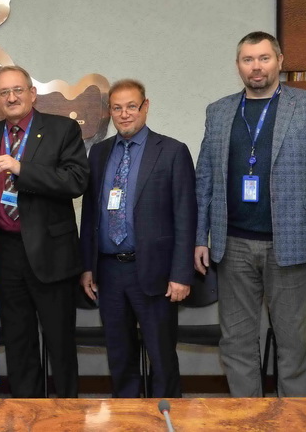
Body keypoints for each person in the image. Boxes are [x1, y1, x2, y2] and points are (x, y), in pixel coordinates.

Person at [194, 31, 306, 397]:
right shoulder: (219, 112)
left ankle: (291, 420)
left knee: (293, 347)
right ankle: (249, 418)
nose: (256, 66)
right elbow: (205, 179)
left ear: (280, 61)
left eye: (264, 58)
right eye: (248, 59)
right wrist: (200, 237)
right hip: (232, 246)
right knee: (236, 344)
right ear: (238, 66)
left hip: (292, 247)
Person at [0, 65, 88, 398]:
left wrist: (21, 168)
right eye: (4, 92)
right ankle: (26, 410)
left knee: (60, 341)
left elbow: (76, 181)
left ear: (32, 93)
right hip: (5, 251)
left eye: (18, 90)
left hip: (51, 253)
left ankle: (67, 410)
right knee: (18, 340)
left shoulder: (62, 129)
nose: (11, 98)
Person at [79, 79, 196, 398]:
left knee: (161, 354)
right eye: (117, 108)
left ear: (146, 106)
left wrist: (181, 274)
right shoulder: (99, 153)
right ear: (110, 112)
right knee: (119, 354)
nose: (124, 114)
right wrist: (88, 266)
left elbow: (186, 216)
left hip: (155, 271)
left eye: (131, 106)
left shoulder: (172, 151)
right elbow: (89, 214)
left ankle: (165, 415)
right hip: (109, 272)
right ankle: (126, 415)